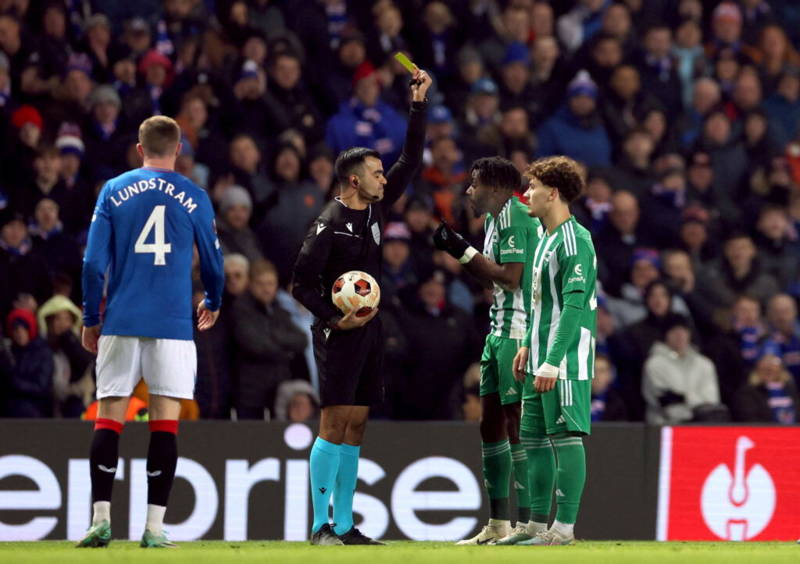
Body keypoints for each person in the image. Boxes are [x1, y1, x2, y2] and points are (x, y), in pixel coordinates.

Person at [292, 68, 431, 546]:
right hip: (338, 332)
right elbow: (299, 284)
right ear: (354, 179)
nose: (383, 178)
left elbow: (411, 159)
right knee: (333, 422)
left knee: (357, 422)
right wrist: (334, 317)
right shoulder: (327, 225)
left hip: (368, 329)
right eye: (375, 173)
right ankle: (318, 526)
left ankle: (346, 525)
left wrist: (417, 104)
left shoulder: (373, 209)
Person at [78, 116, 224, 548]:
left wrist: (90, 317)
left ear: (139, 149)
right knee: (164, 425)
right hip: (173, 325)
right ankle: (154, 528)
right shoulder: (195, 196)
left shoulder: (113, 190)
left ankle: (100, 519)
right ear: (179, 149)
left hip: (121, 320)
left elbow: (91, 264)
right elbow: (214, 263)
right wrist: (213, 301)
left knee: (109, 418)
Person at [433, 157, 542, 545]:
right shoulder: (496, 219)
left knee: (516, 426)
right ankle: (498, 524)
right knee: (490, 425)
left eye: (474, 183)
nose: (468, 190)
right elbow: (493, 275)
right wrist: (466, 254)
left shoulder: (516, 217)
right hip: (498, 331)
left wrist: (460, 251)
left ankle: (530, 527)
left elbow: (510, 277)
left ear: (495, 187)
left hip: (519, 332)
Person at [512, 155, 598, 546]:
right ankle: (535, 526)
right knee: (531, 438)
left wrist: (551, 359)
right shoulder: (545, 236)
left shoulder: (573, 240)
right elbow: (540, 302)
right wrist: (529, 344)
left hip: (564, 360)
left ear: (554, 192)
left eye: (533, 187)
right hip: (541, 356)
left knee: (565, 437)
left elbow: (573, 308)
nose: (527, 193)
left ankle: (563, 530)